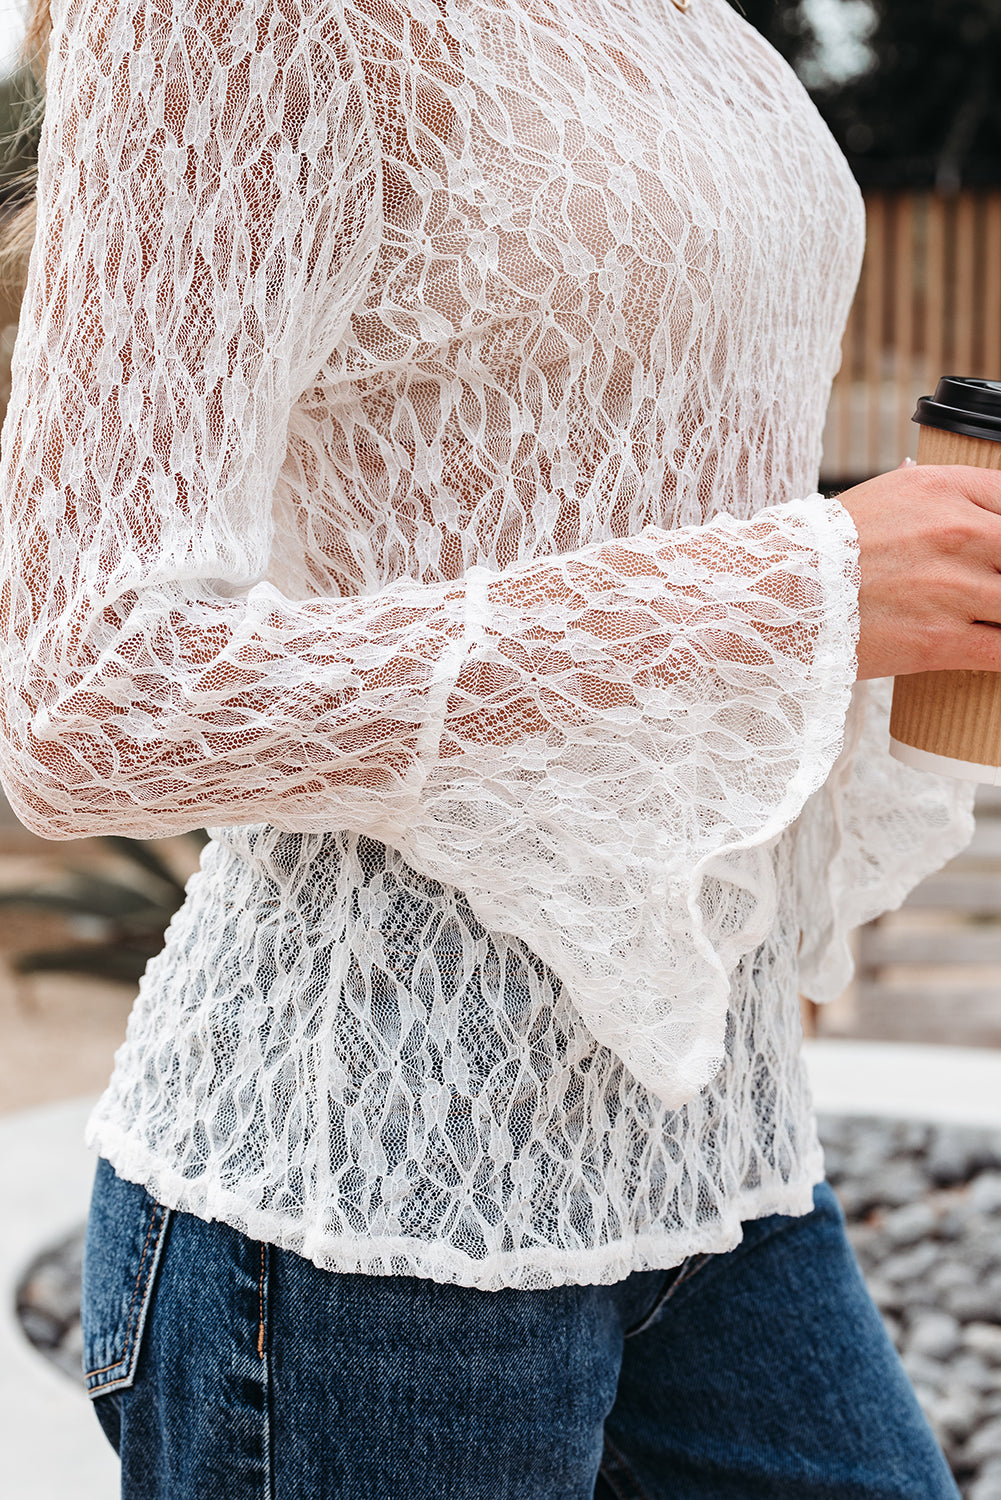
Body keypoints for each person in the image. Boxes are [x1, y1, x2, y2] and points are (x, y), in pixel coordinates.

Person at [0, 0, 995, 1492]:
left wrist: (877, 610)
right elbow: (88, 701)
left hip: (707, 1153)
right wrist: (803, 589)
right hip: (362, 1203)